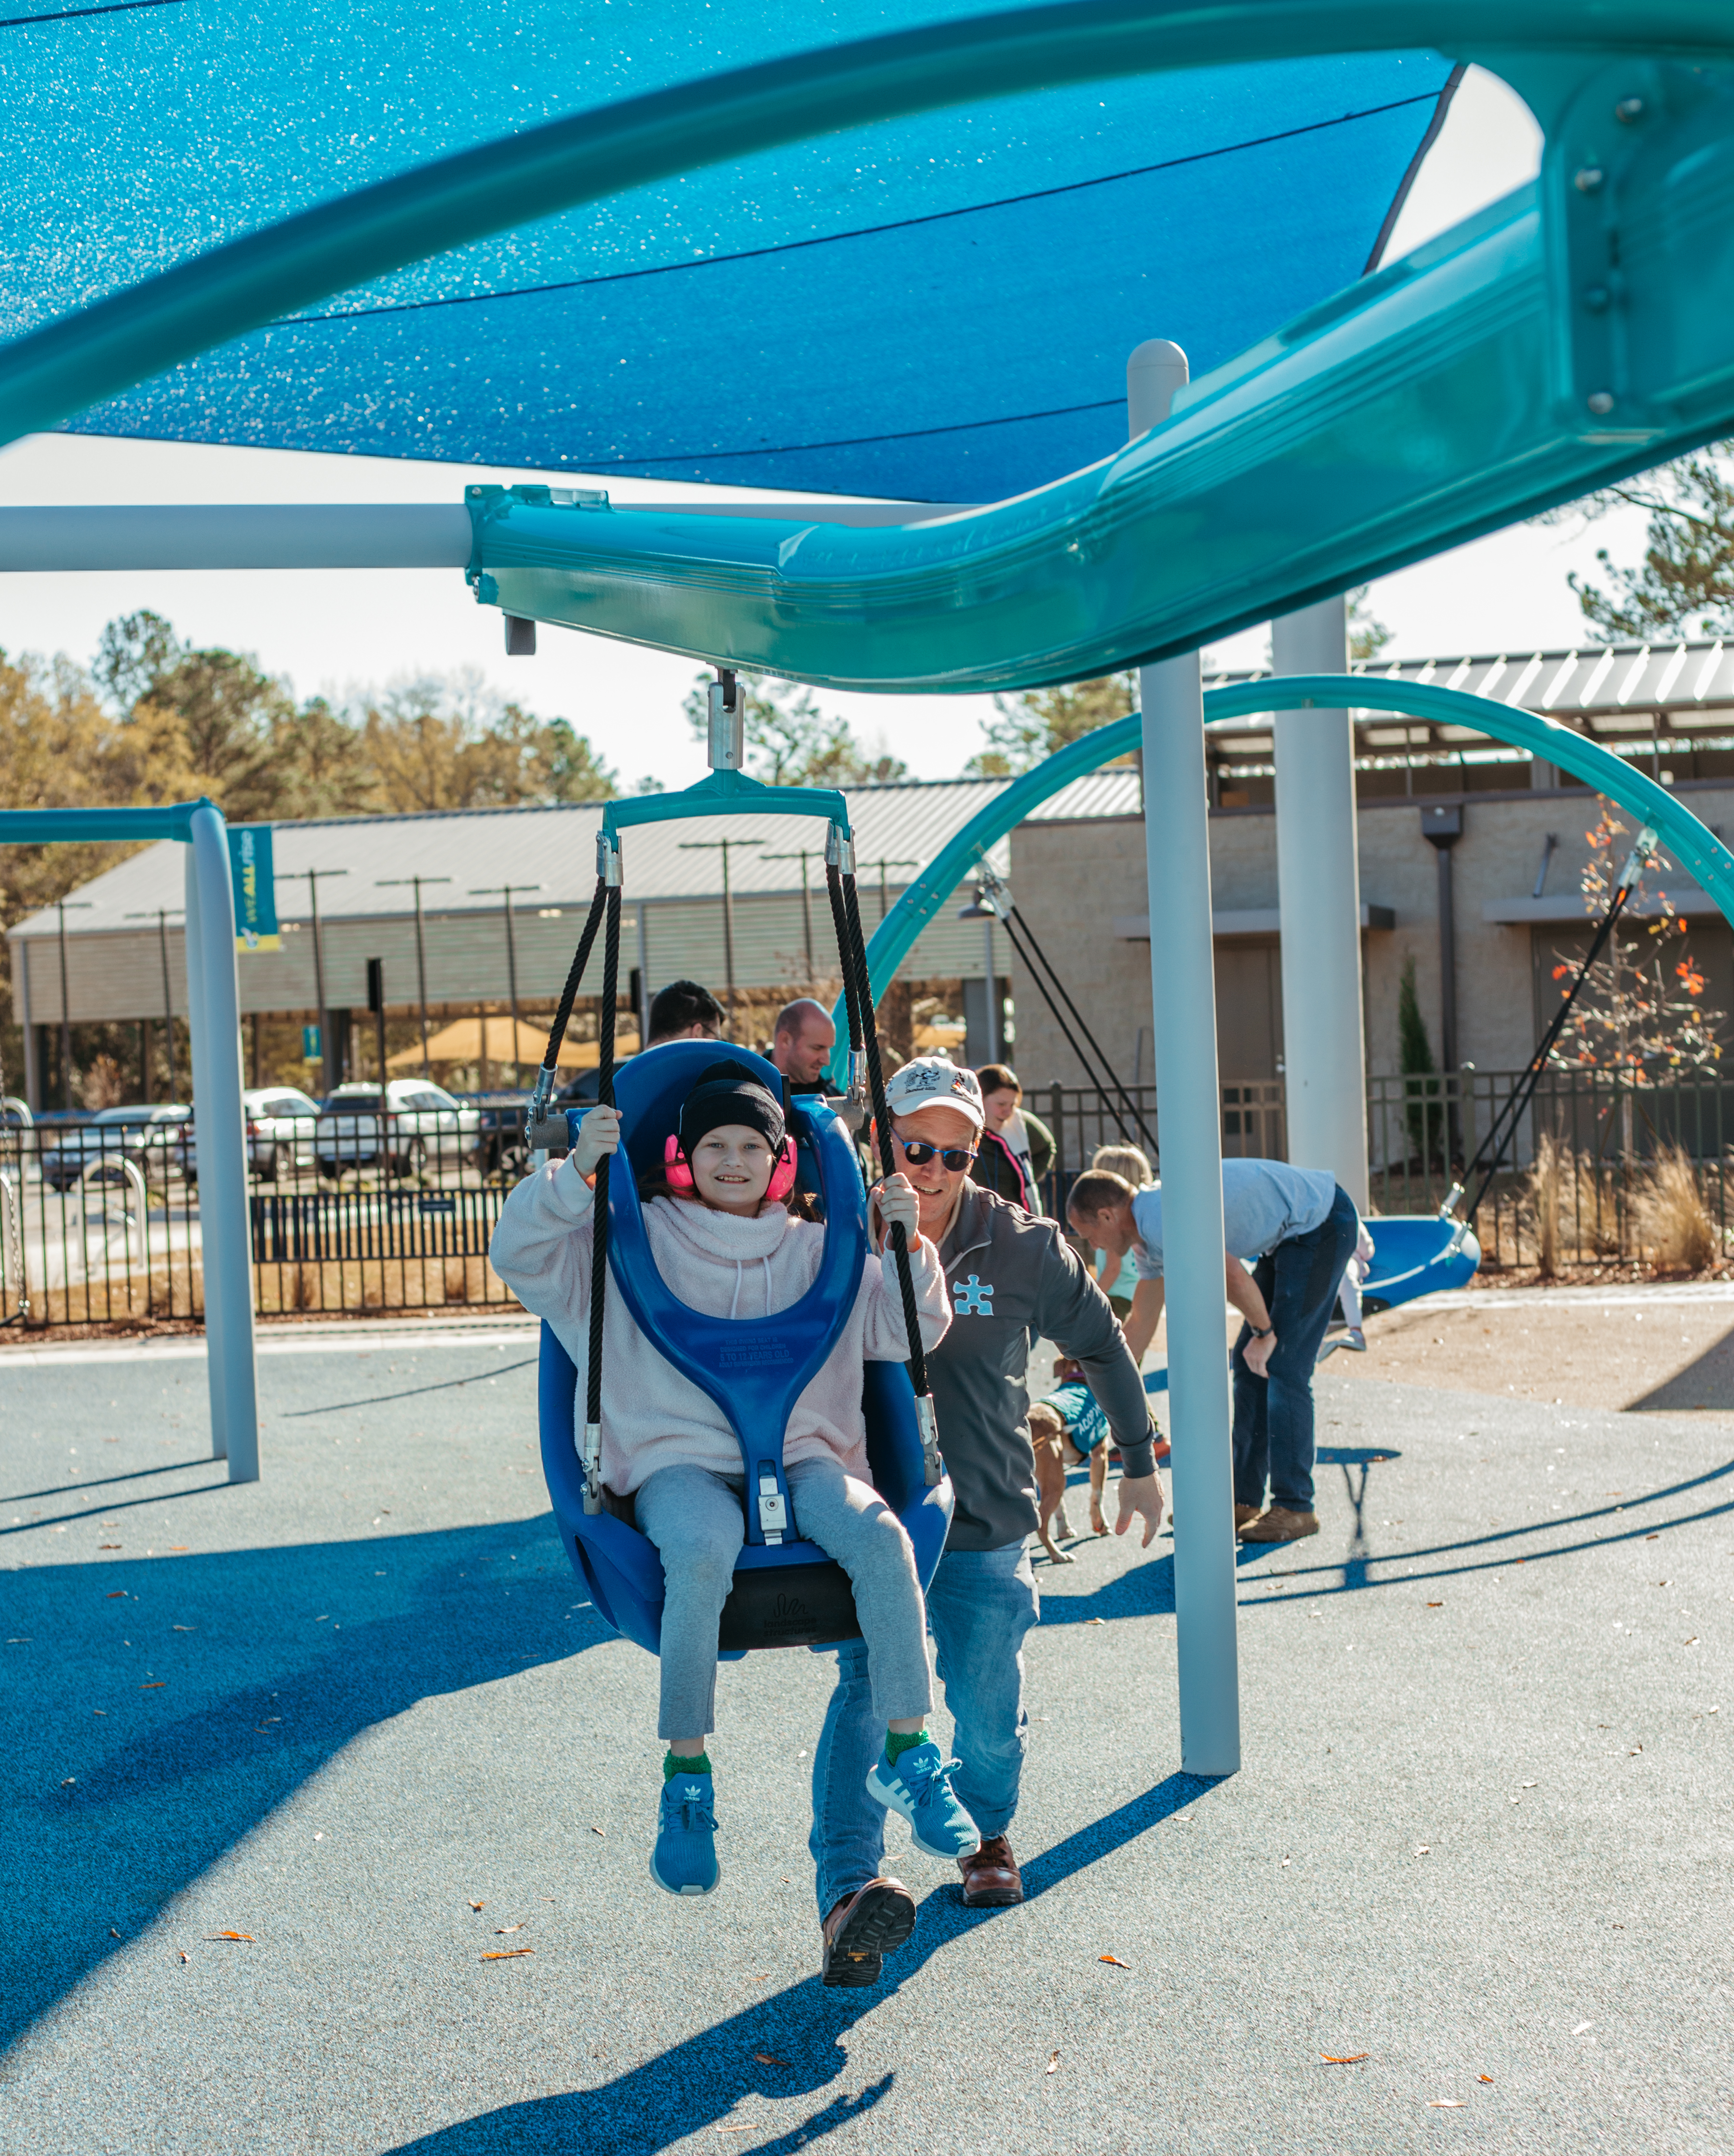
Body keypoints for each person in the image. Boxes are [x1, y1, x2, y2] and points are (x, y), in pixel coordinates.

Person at [490, 1060, 975, 1909]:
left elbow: (904, 1332)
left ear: (782, 1163)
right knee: (701, 1547)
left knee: (881, 1536)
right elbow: (519, 1252)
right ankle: (686, 1777)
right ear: (680, 1156)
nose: (733, 1159)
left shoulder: (822, 1251)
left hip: (806, 1458)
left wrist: (909, 1245)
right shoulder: (622, 1240)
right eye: (713, 1143)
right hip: (677, 1462)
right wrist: (573, 1175)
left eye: (753, 1145)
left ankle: (909, 1749)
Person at [809, 1056, 1162, 1973]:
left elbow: (1102, 1344)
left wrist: (1133, 1459)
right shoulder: (828, 1231)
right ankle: (849, 1892)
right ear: (878, 1140)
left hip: (982, 1518)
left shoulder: (1023, 1246)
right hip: (869, 1521)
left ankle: (987, 1833)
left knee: (985, 1707)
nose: (927, 1168)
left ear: (977, 1154)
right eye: (911, 1146)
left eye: (952, 1154)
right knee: (866, 1696)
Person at [1065, 1158, 1359, 1544]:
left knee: (1283, 1365)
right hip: (1289, 1238)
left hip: (1321, 1222)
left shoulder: (1160, 1218)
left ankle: (1296, 1507)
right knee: (1248, 1363)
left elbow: (1232, 1275)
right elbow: (1140, 1320)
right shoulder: (1147, 1238)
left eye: (1086, 1234)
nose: (1092, 1245)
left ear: (1106, 1216)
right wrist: (1099, 1384)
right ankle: (1242, 1501)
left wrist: (1265, 1332)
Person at [558, 979, 725, 1106]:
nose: (717, 1047)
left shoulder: (620, 1085)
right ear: (696, 1033)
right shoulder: (695, 1092)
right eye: (716, 1038)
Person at [1080, 1142, 1152, 1317]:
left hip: (1115, 1298)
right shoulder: (1139, 1219)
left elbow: (1113, 1269)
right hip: (1135, 1294)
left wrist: (1088, 1303)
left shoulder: (1112, 1223)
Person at [972, 1063, 1055, 1213]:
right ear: (979, 1099)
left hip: (1015, 1218)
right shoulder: (963, 1127)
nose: (1008, 1112)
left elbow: (1048, 1147)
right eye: (1002, 1104)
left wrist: (1022, 1178)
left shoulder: (1019, 1124)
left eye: (1013, 1105)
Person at [770, 997, 837, 1091]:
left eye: (828, 1049)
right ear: (785, 1041)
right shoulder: (747, 1092)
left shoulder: (833, 1097)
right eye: (817, 1048)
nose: (826, 1062)